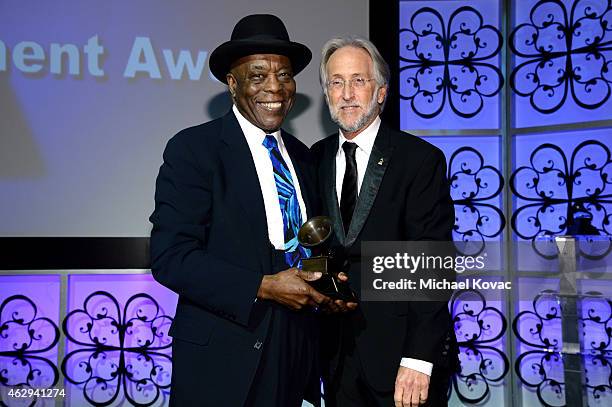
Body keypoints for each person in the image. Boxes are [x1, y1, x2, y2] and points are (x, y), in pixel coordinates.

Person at [150, 14, 334, 407]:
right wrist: (262, 286)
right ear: (232, 85)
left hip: (294, 357)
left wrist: (330, 286)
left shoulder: (304, 159)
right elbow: (171, 258)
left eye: (284, 75)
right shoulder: (194, 150)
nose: (275, 87)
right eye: (257, 75)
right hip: (221, 363)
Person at [311, 37, 458, 407]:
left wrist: (418, 358)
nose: (346, 94)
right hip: (337, 357)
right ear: (326, 92)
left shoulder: (419, 160)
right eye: (336, 82)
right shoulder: (315, 158)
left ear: (380, 92)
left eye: (358, 80)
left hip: (404, 361)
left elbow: (433, 261)